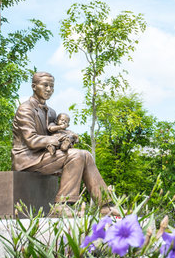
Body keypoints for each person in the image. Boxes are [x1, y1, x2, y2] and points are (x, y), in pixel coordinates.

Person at [11, 72, 118, 216]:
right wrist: (58, 140)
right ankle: (62, 205)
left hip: (45, 155)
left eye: (52, 86)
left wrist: (68, 136)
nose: (49, 89)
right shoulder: (25, 109)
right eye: (45, 85)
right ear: (34, 87)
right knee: (77, 155)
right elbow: (31, 140)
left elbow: (55, 133)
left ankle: (105, 205)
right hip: (27, 158)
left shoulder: (51, 112)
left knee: (85, 154)